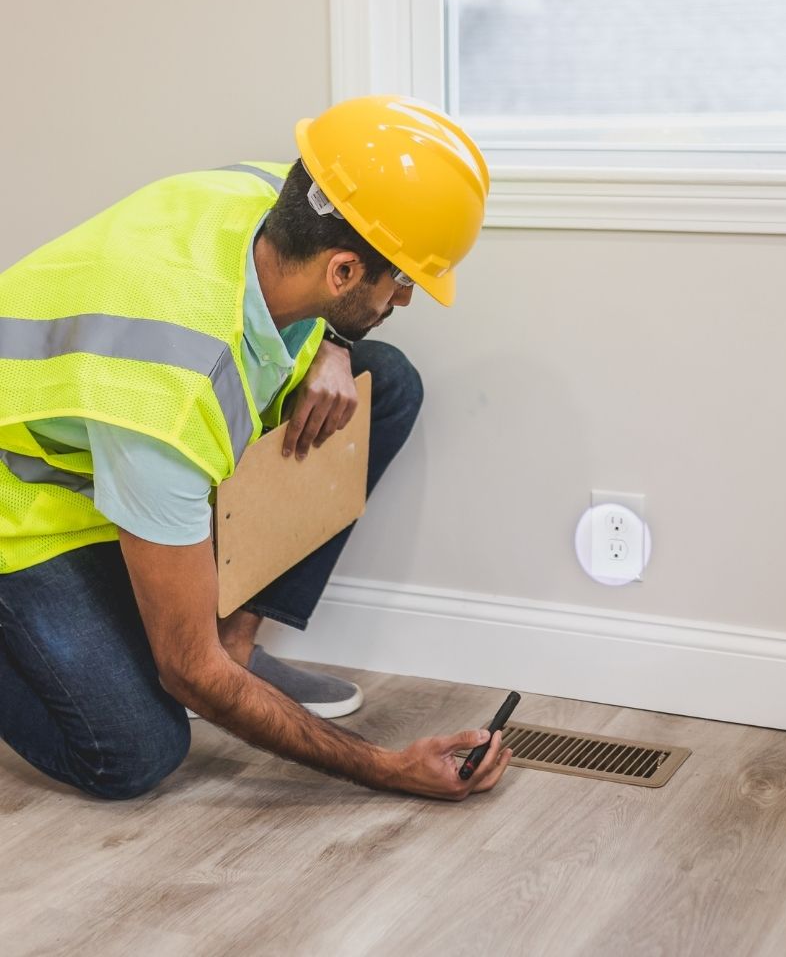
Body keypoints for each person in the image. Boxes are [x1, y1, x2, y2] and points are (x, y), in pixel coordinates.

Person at [0, 95, 512, 801]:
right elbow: (189, 675)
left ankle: (234, 644)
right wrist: (386, 768)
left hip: (106, 455)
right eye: (399, 281)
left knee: (379, 382)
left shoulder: (279, 195)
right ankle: (208, 652)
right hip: (26, 505)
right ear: (342, 273)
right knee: (135, 751)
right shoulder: (172, 392)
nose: (404, 301)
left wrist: (333, 344)